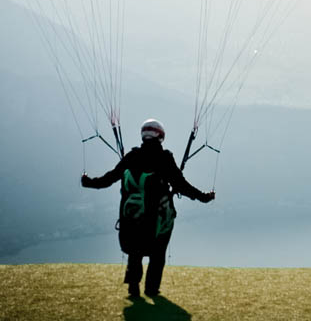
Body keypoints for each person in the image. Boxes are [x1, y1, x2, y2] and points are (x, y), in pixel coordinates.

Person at [81, 118, 215, 298]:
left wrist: (89, 182)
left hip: (131, 218)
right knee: (157, 253)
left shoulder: (131, 156)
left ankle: (133, 287)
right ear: (161, 136)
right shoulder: (164, 158)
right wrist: (204, 197)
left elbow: (109, 179)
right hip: (157, 219)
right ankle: (151, 289)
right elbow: (181, 185)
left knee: (135, 251)